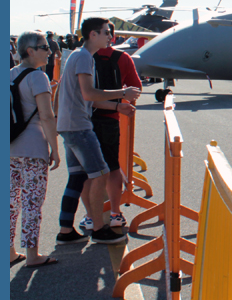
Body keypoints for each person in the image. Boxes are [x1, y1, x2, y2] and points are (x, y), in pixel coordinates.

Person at [55, 18, 140, 246]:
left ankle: (65, 230)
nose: (110, 37)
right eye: (106, 33)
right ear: (93, 34)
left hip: (68, 125)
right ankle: (98, 227)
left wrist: (56, 120)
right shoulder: (84, 57)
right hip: (79, 126)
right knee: (101, 173)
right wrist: (122, 94)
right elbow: (89, 94)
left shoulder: (75, 55)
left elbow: (67, 92)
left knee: (77, 177)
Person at [76, 42, 143, 234]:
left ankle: (89, 216)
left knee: (86, 171)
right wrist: (121, 100)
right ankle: (115, 212)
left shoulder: (81, 58)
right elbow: (136, 88)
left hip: (83, 119)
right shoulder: (122, 58)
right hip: (110, 120)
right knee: (113, 167)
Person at [10, 31, 61, 267]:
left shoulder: (10, 75)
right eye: (44, 47)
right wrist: (55, 149)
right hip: (33, 148)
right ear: (30, 51)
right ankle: (32, 254)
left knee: (10, 202)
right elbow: (47, 116)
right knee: (32, 202)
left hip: (10, 147)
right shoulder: (38, 77)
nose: (49, 51)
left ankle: (9, 251)